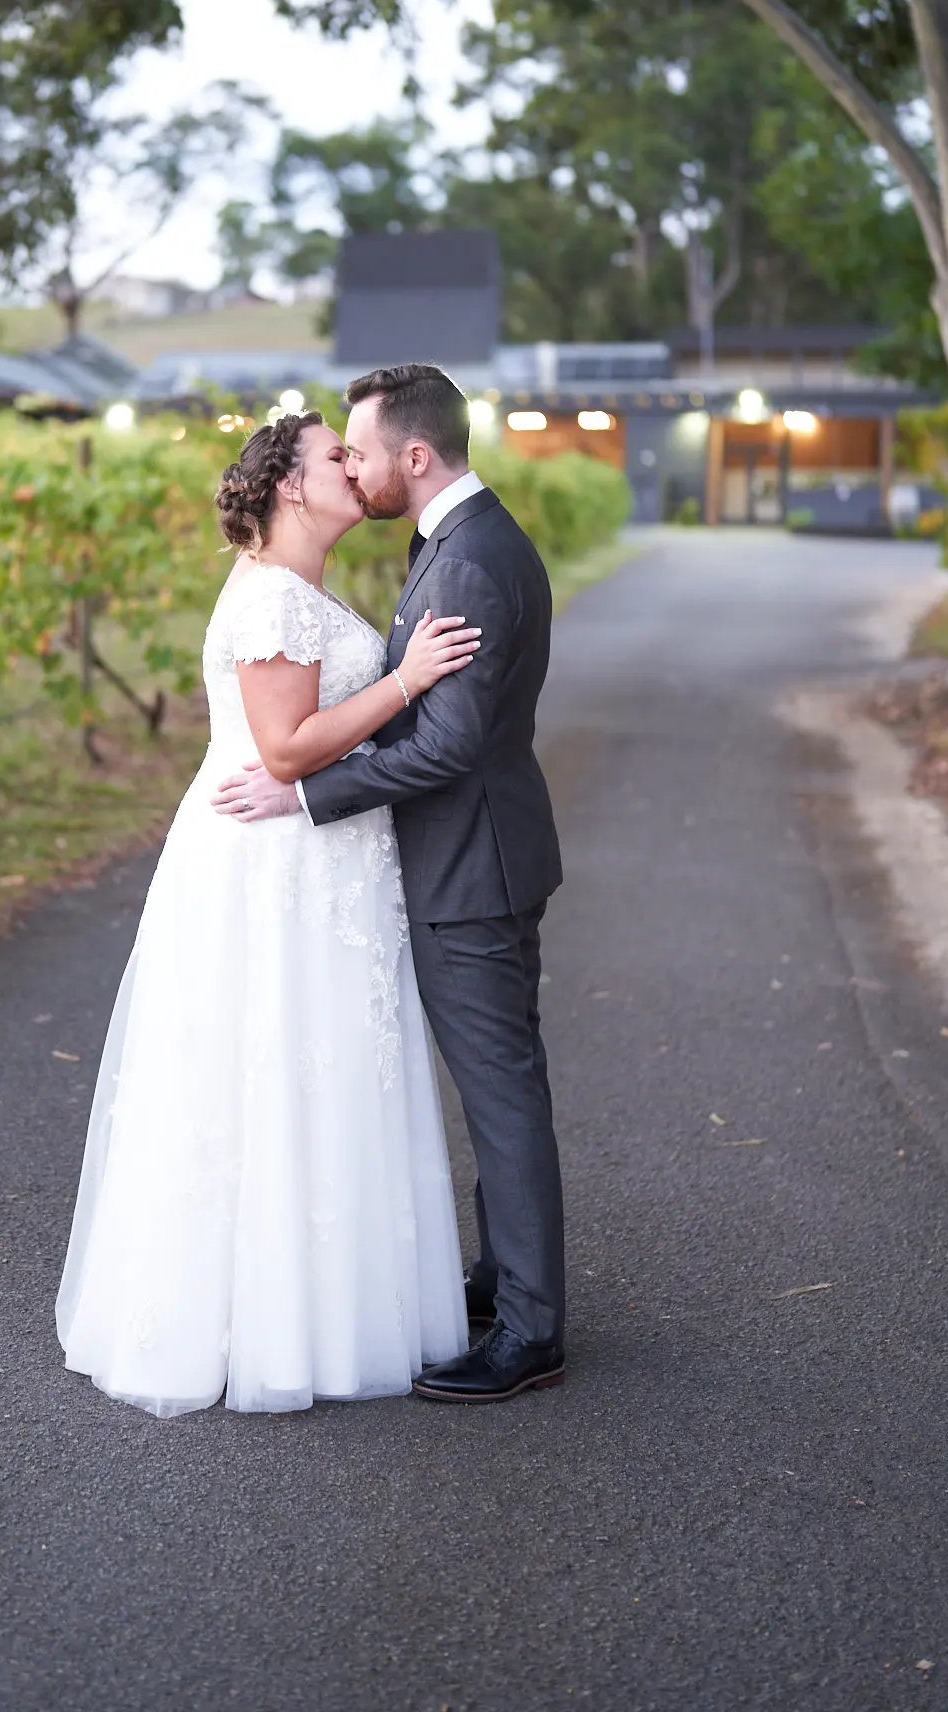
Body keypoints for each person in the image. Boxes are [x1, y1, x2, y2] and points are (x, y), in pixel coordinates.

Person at [56, 409, 478, 1416]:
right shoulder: (275, 602)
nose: (352, 467)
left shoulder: (299, 589)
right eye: (336, 454)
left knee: (318, 1070)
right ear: (292, 483)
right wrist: (409, 679)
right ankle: (277, 1320)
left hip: (317, 859)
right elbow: (285, 749)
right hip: (279, 863)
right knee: (278, 1067)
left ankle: (327, 1310)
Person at [213, 363, 566, 1404]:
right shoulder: (458, 542)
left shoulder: (463, 563)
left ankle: (531, 1328)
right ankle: (504, 1280)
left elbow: (448, 742)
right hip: (477, 857)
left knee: (501, 1093)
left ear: (415, 457)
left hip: (471, 866)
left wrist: (310, 793)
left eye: (358, 451)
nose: (353, 469)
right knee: (502, 1085)